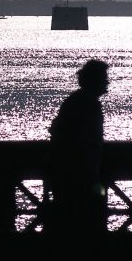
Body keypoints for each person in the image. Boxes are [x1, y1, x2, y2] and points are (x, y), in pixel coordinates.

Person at [48, 59, 109, 233]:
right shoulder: (86, 104)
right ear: (94, 81)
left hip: (75, 174)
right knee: (81, 221)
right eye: (104, 78)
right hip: (79, 176)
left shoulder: (77, 102)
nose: (107, 82)